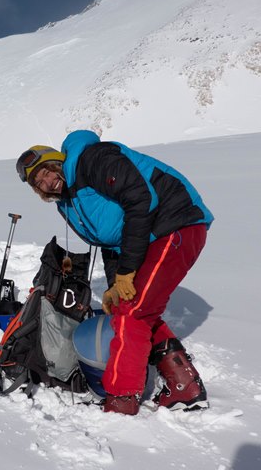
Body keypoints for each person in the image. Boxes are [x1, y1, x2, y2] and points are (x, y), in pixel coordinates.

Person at [16, 130, 214, 415]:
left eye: (46, 171)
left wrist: (128, 271)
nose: (47, 181)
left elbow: (139, 200)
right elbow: (110, 242)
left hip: (175, 224)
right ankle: (184, 386)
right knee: (127, 307)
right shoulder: (68, 204)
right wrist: (115, 284)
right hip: (149, 239)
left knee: (133, 315)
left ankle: (122, 399)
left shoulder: (93, 159)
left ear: (57, 162)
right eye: (39, 183)